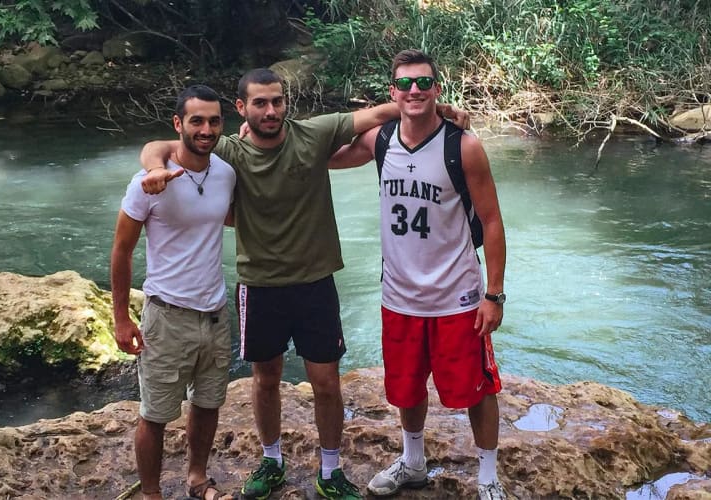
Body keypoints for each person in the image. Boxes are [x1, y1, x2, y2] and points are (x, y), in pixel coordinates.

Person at [138, 68, 469, 500]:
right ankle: (272, 460)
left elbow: (378, 114)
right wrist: (152, 168)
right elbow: (161, 145)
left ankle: (330, 470)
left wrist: (437, 108)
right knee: (266, 379)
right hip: (259, 284)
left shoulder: (313, 134)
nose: (270, 110)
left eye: (277, 101)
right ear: (242, 109)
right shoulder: (230, 151)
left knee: (327, 381)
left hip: (315, 281)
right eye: (260, 103)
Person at [329, 49, 509, 500]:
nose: (415, 91)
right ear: (392, 92)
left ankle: (488, 477)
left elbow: (492, 221)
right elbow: (322, 151)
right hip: (400, 295)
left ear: (438, 88)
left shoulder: (462, 145)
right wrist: (262, 136)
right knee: (407, 388)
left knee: (477, 388)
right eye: (405, 84)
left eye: (424, 83)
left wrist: (495, 295)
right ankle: (412, 463)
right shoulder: (381, 140)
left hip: (458, 297)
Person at [110, 84, 236, 500]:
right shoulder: (147, 182)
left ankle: (198, 478)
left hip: (216, 312)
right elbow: (122, 250)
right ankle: (151, 493)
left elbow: (232, 217)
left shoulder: (225, 173)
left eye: (214, 121)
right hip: (166, 315)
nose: (206, 129)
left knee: (208, 404)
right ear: (178, 124)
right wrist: (122, 318)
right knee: (156, 413)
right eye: (196, 121)